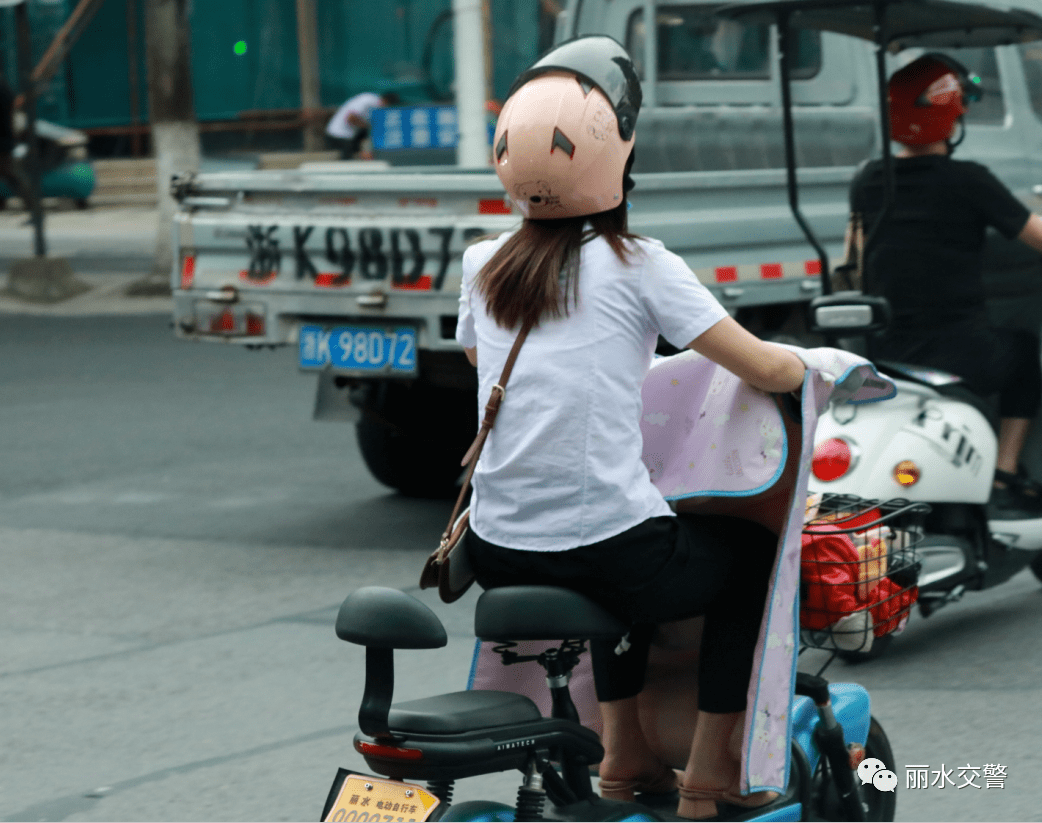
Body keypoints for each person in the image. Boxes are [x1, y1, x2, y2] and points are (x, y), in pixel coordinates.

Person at [456, 35, 807, 820]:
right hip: (604, 550)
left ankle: (625, 754)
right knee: (743, 553)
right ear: (619, 151)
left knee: (629, 544)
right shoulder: (641, 262)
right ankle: (711, 774)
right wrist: (811, 368)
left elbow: (502, 371)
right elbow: (764, 367)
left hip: (495, 545)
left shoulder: (482, 263)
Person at [849, 53, 1042, 517]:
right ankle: (1005, 472)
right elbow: (1034, 235)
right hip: (960, 351)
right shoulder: (969, 180)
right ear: (950, 115)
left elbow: (854, 263)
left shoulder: (868, 178)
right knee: (1023, 354)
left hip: (885, 347)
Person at [325, 90, 401, 159]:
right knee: (347, 156)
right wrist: (368, 127)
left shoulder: (375, 108)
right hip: (337, 135)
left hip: (350, 136)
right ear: (386, 101)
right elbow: (350, 118)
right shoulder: (368, 100)